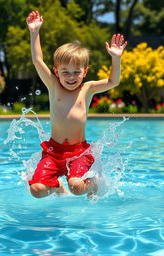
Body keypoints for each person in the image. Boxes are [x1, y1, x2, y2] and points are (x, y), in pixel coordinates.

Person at [26, 10, 127, 198]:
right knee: (36, 190)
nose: (71, 77)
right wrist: (34, 32)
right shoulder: (53, 86)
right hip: (53, 152)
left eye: (76, 72)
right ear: (56, 71)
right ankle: (57, 188)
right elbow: (37, 60)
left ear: (85, 71)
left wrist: (116, 58)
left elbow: (113, 82)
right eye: (65, 72)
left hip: (79, 152)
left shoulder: (87, 89)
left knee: (77, 187)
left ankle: (93, 184)